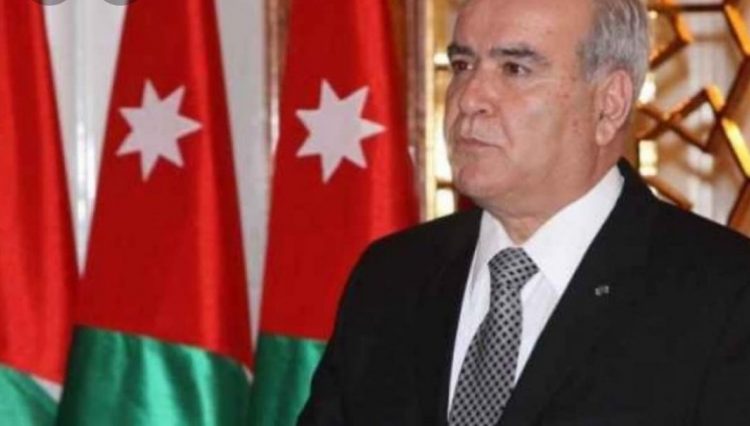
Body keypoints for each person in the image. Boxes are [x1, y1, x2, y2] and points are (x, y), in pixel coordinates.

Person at [298, 0, 750, 424]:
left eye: (515, 69)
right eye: (463, 65)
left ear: (609, 104)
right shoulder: (390, 277)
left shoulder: (726, 295)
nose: (468, 98)